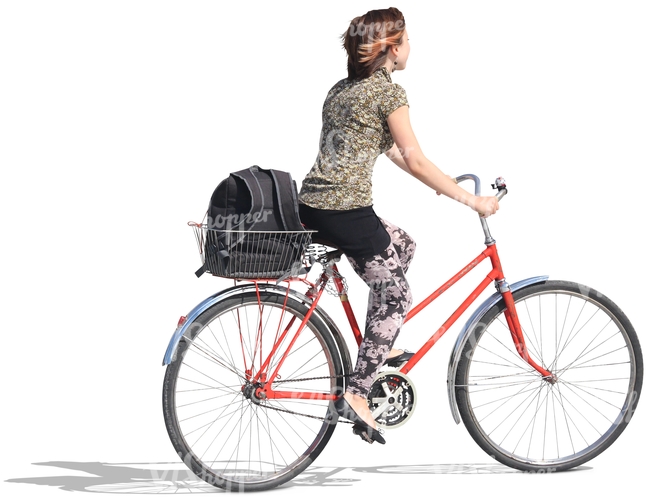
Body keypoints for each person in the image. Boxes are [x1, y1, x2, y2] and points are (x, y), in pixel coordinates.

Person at [298, 7, 498, 445]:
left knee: (403, 245)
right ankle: (357, 391)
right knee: (398, 294)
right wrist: (472, 201)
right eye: (407, 39)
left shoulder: (342, 90)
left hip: (314, 205)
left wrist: (438, 182)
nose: (411, 47)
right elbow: (416, 159)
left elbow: (391, 152)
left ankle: (379, 343)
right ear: (391, 48)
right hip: (346, 211)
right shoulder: (388, 94)